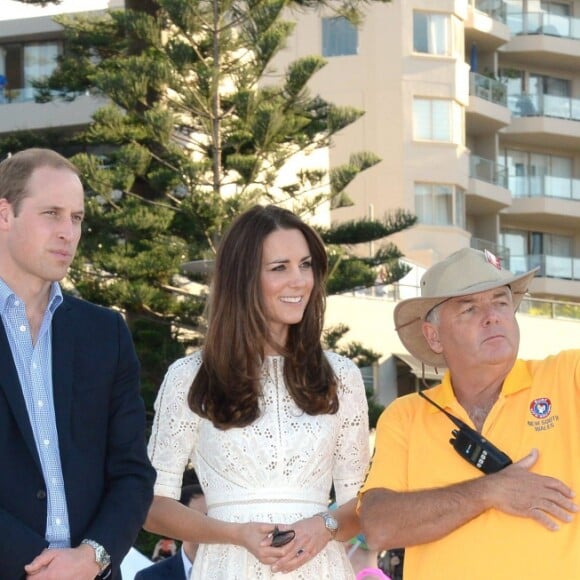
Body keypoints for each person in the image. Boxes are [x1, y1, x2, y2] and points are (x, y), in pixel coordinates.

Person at [144, 204, 370, 578]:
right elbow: (152, 505)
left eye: (306, 264)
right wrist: (233, 534)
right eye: (280, 267)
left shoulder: (341, 376)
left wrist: (323, 526)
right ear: (243, 278)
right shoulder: (189, 377)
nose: (299, 280)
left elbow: (361, 504)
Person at [358, 247, 580, 579]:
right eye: (470, 308)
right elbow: (378, 526)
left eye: (501, 302)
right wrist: (491, 492)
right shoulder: (405, 416)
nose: (492, 316)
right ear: (434, 336)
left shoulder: (567, 375)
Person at [0, 148, 156, 579]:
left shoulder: (105, 333)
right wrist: (37, 566)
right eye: (52, 213)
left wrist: (91, 558)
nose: (68, 231)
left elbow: (132, 473)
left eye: (77, 218)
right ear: (4, 214)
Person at [136, 482, 207, 579]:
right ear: (178, 522)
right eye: (204, 518)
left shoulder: (232, 572)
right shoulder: (149, 577)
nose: (215, 525)